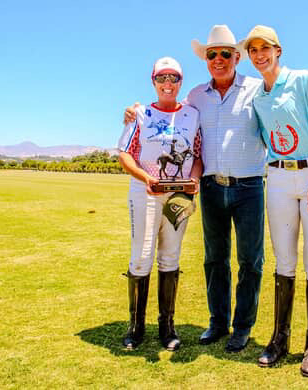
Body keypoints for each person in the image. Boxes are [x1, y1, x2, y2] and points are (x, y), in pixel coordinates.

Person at [125, 25, 266, 352]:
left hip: (249, 187)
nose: (219, 59)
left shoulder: (257, 89)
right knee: (215, 259)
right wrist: (133, 110)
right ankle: (217, 323)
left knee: (250, 260)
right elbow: (166, 110)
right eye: (212, 54)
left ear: (237, 57)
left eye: (225, 54)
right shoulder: (195, 96)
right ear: (206, 59)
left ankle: (242, 327)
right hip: (209, 187)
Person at [243, 25, 308, 377]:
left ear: (278, 50)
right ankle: (279, 339)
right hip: (278, 177)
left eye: (265, 48)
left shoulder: (302, 80)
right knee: (284, 260)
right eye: (253, 50)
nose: (260, 55)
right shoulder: (257, 95)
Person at [117, 56, 202, 352]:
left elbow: (198, 155)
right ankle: (136, 326)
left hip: (180, 194)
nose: (168, 84)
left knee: (171, 255)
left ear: (181, 82)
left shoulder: (192, 115)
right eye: (162, 78)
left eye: (174, 78)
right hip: (145, 192)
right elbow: (125, 155)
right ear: (153, 81)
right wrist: (145, 178)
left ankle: (167, 327)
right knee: (141, 256)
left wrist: (194, 181)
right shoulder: (140, 114)